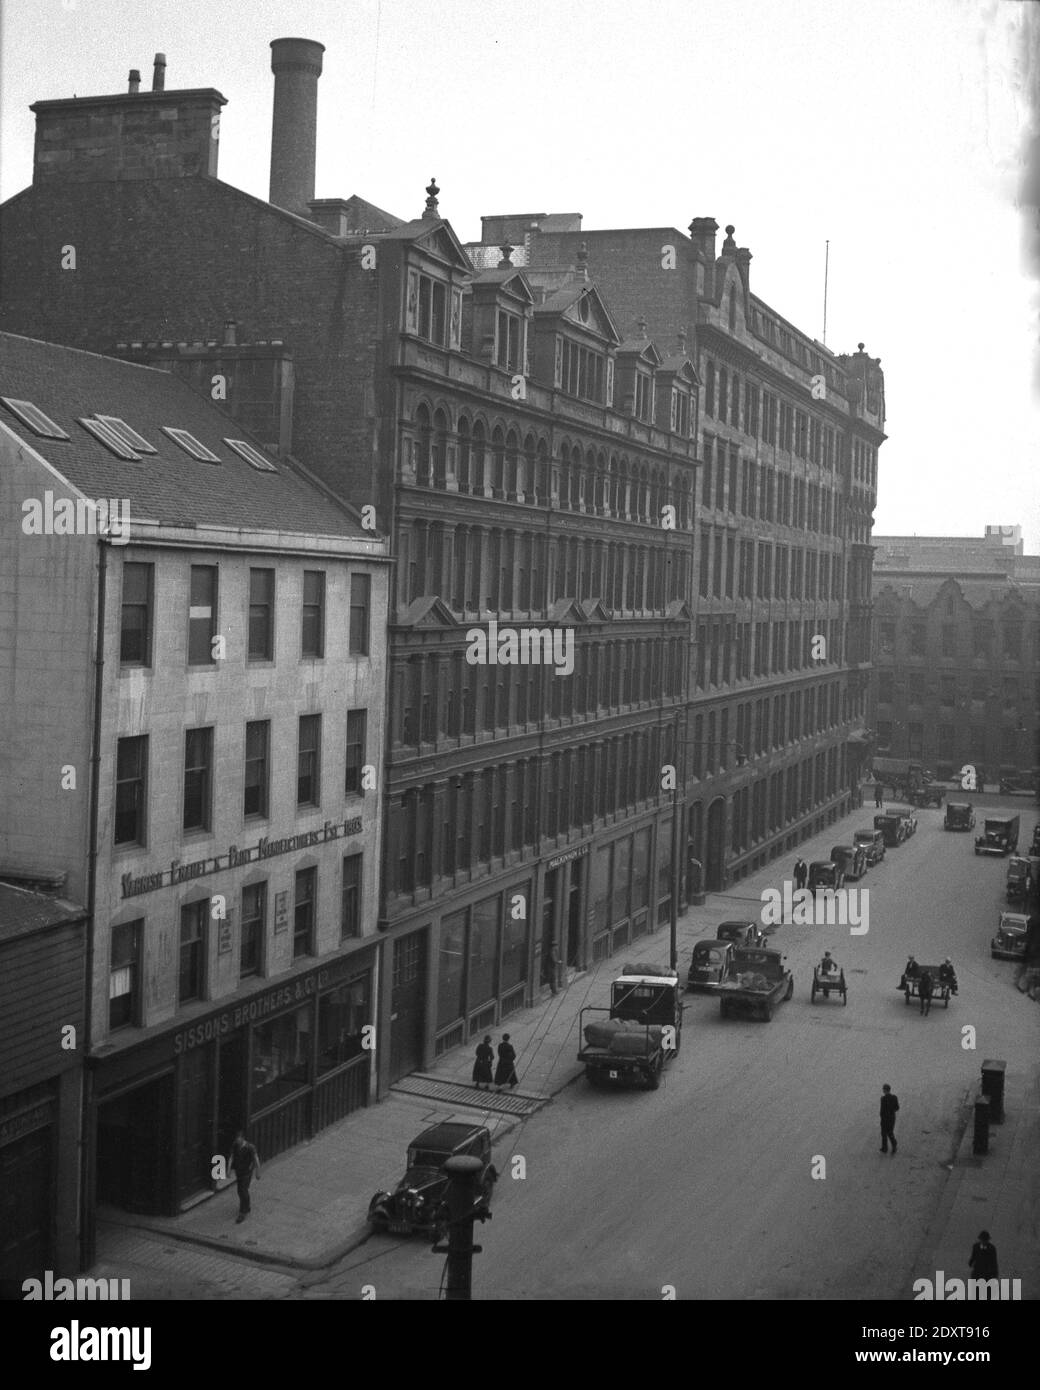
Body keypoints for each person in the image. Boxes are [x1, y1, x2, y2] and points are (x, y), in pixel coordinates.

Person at [229, 1130, 261, 1224]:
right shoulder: (235, 1145)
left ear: (243, 1139)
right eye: (236, 1139)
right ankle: (246, 1206)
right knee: (240, 1190)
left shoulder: (250, 1147)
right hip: (239, 1171)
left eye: (239, 1139)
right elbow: (232, 1157)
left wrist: (257, 1172)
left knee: (243, 1190)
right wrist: (228, 1170)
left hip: (247, 1172)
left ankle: (242, 1212)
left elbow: (256, 1159)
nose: (237, 1141)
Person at [879, 1084, 899, 1155]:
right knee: (890, 1132)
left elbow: (882, 1111)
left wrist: (882, 1117)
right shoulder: (894, 1097)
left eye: (883, 1089)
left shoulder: (883, 1099)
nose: (883, 1090)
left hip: (885, 1119)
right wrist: (891, 1111)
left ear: (885, 1090)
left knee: (884, 1133)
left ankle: (885, 1148)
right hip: (892, 1118)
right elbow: (897, 1108)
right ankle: (894, 1145)